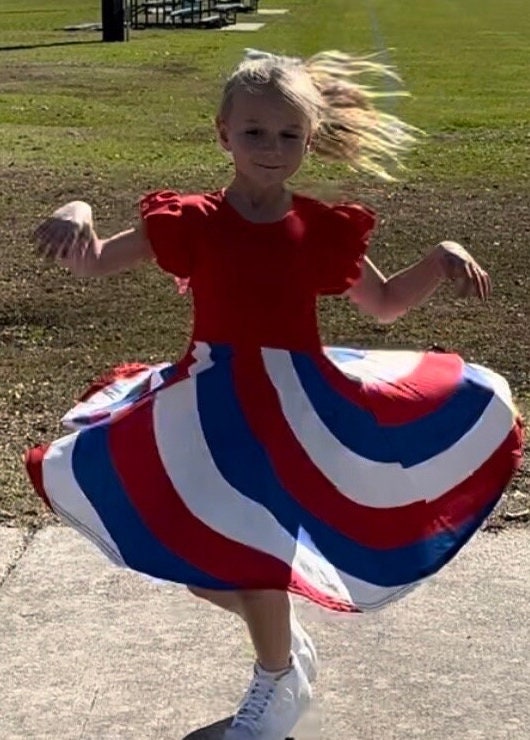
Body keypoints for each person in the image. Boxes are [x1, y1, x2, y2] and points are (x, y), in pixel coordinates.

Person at [26, 49, 522, 739]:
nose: (272, 148)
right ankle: (283, 645)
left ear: (309, 141)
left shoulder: (321, 227)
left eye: (289, 135)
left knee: (254, 552)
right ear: (222, 133)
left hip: (296, 408)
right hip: (210, 401)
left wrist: (437, 258)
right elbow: (94, 261)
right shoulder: (191, 220)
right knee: (202, 566)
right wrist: (77, 206)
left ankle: (276, 677)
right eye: (255, 132)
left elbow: (380, 305)